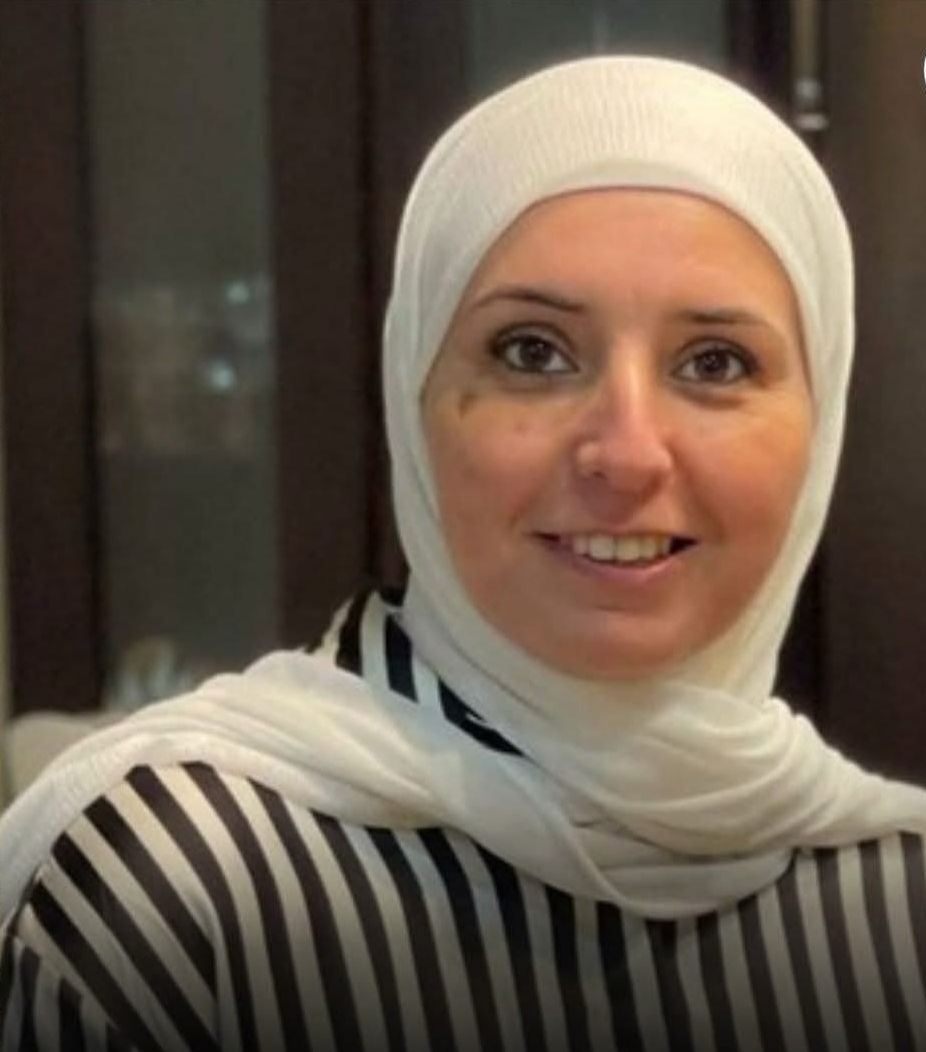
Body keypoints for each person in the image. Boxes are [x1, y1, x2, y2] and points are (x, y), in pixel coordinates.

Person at [1, 55, 925, 1052]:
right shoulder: (167, 890)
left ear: (821, 421)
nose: (625, 452)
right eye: (532, 352)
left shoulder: (900, 899)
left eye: (714, 362)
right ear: (415, 401)